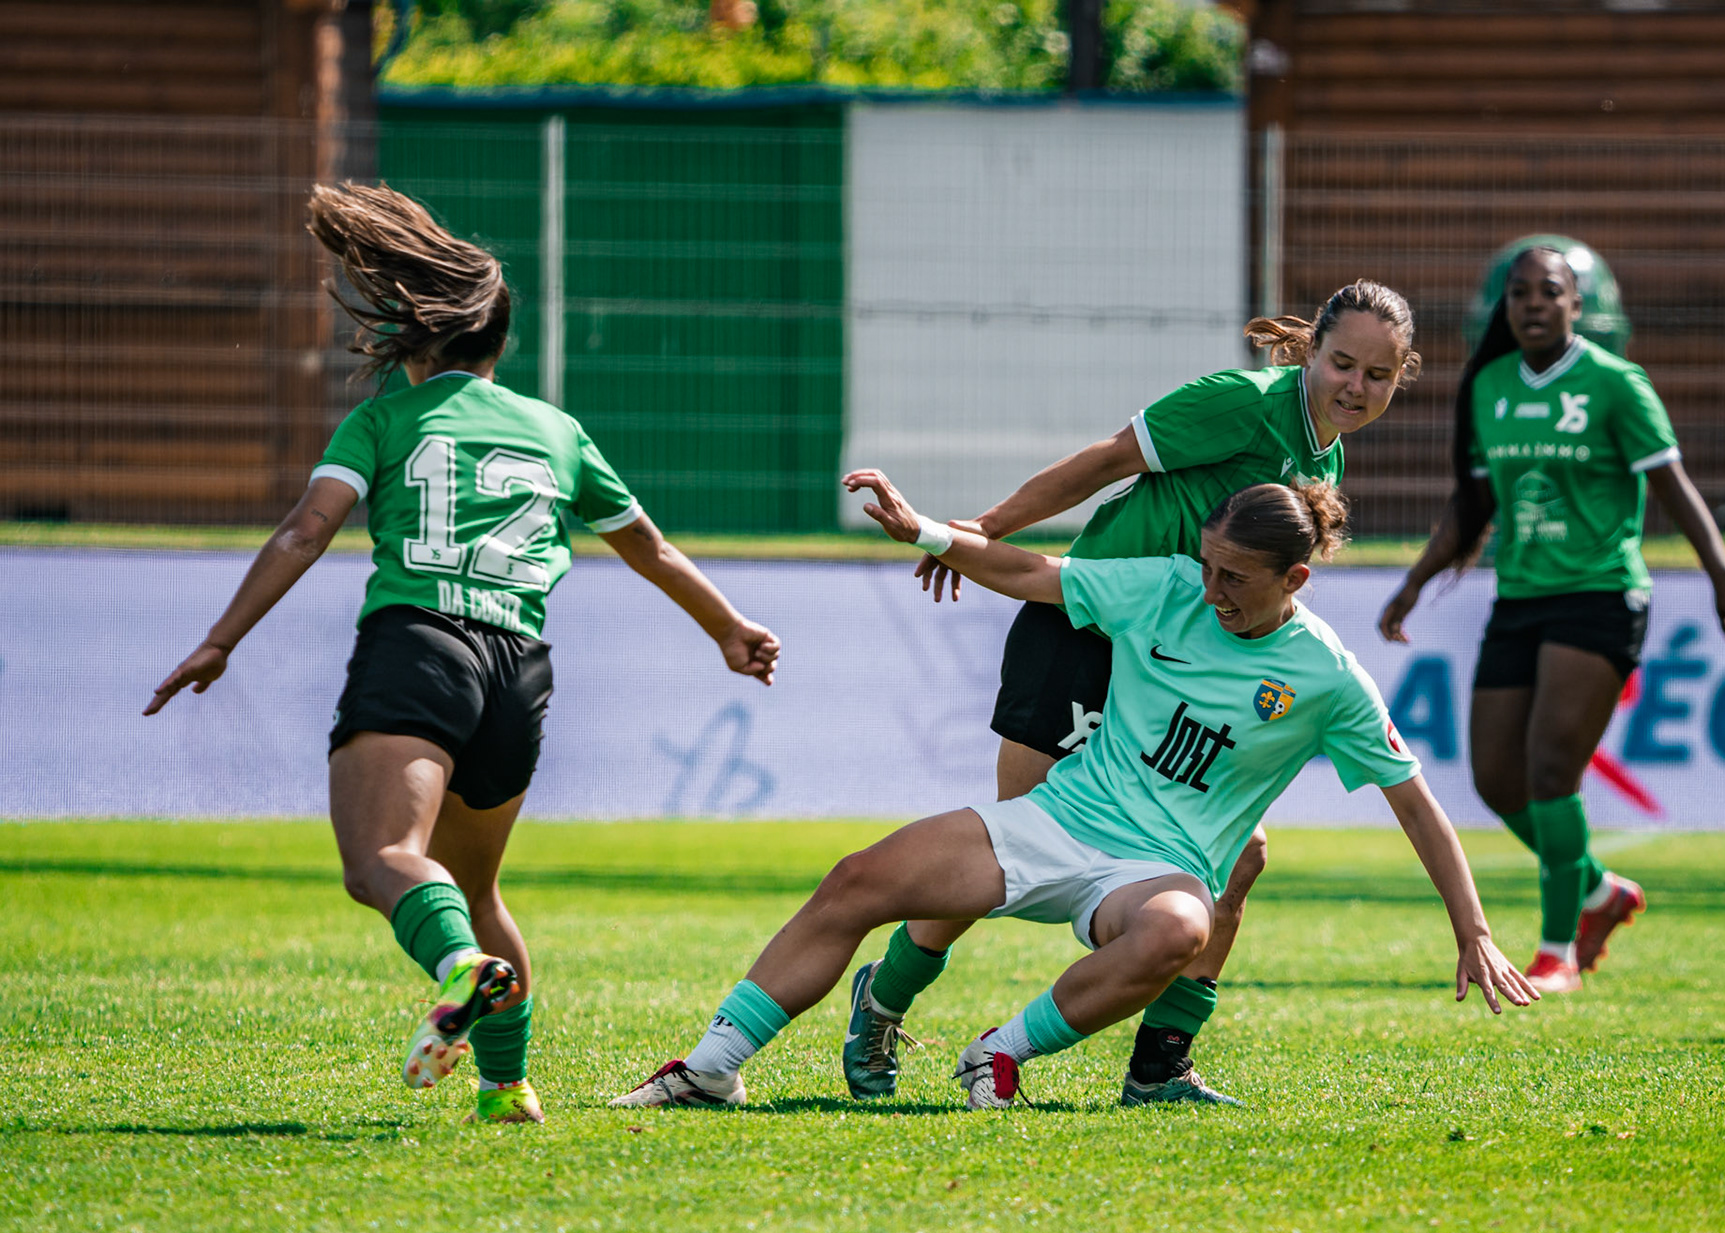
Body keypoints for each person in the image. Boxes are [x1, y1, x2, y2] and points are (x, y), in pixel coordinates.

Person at [145, 182, 780, 1123]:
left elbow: (303, 533)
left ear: (416, 340)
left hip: (422, 646)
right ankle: (506, 1085)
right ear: (497, 345)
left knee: (385, 861)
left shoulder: (384, 423)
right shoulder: (557, 430)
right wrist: (728, 628)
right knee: (475, 885)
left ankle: (457, 969)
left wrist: (219, 639)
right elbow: (649, 545)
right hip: (519, 669)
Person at [610, 472, 1535, 1111]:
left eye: (1234, 578)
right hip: (1056, 821)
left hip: (1155, 870)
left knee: (1184, 928)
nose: (1210, 587)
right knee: (859, 878)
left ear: (1294, 580)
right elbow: (1031, 573)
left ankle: (1000, 1051)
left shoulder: (1327, 677)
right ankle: (711, 1069)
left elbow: (1414, 800)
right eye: (1207, 563)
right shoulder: (1169, 587)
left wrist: (1475, 930)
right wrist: (925, 531)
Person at [856, 281, 1424, 1107]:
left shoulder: (1322, 457)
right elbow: (1105, 461)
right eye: (1341, 363)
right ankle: (883, 999)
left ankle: (1161, 1062)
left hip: (1161, 666)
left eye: (1377, 374)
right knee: (1007, 866)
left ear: (1398, 377)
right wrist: (980, 536)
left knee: (1243, 854)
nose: (1355, 386)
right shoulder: (1239, 404)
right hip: (1083, 635)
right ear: (1311, 352)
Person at [1377, 244, 1725, 994]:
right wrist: (1414, 584)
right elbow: (1475, 504)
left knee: (1552, 769)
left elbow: (1673, 487)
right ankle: (1596, 889)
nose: (1531, 304)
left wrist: (1724, 575)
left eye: (1548, 292)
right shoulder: (1490, 384)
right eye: (1518, 293)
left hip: (1600, 594)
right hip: (1518, 598)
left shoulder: (1618, 385)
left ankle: (1558, 954)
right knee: (1494, 776)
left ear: (1578, 305)